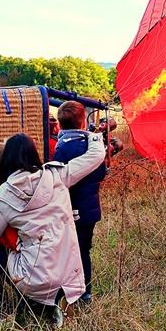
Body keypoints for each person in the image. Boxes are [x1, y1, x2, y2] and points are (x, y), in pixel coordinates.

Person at [0, 131, 105, 326]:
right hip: (69, 273)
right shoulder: (58, 175)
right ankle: (59, 298)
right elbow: (95, 157)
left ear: (6, 160)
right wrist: (92, 136)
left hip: (34, 278)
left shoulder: (5, 196)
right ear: (34, 153)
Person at [52, 101, 107, 303]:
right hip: (91, 208)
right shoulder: (91, 146)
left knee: (70, 251)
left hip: (71, 209)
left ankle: (72, 291)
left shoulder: (63, 149)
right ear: (83, 122)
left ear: (59, 124)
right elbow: (101, 172)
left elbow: (56, 181)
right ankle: (86, 291)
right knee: (84, 249)